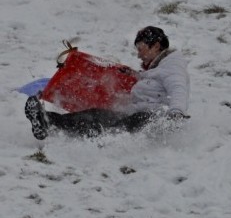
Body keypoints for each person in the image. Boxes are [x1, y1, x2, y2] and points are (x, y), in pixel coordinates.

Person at [25, 26, 189, 139]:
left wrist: (176, 114)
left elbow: (178, 88)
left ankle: (100, 139)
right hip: (135, 114)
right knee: (97, 114)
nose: (139, 55)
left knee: (112, 126)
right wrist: (134, 75)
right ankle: (47, 121)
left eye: (141, 49)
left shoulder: (173, 66)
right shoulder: (156, 67)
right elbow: (154, 83)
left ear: (156, 46)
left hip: (150, 119)